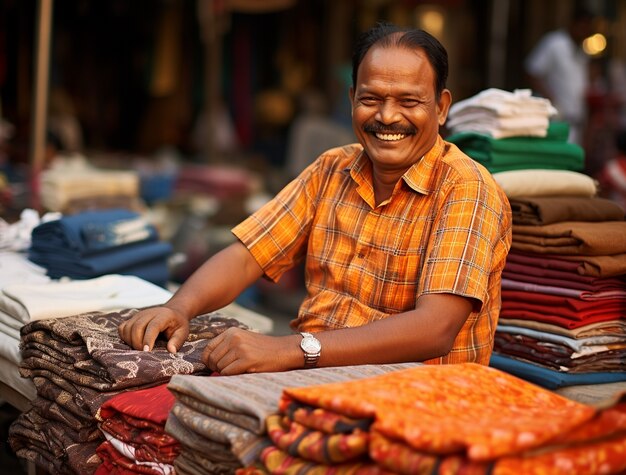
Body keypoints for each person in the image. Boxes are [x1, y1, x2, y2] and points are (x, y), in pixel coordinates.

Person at [119, 22, 513, 375]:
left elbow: (435, 329)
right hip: (317, 372)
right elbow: (248, 254)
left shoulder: (466, 188)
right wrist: (179, 308)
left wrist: (294, 349)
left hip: (417, 395)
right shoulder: (332, 168)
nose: (388, 117)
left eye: (409, 102)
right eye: (371, 99)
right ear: (352, 99)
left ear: (441, 107)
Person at [524, 7, 595, 145]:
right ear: (573, 23)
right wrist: (551, 99)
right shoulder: (555, 43)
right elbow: (532, 71)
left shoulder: (582, 52)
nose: (585, 31)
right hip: (555, 121)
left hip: (576, 123)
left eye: (588, 28)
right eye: (583, 25)